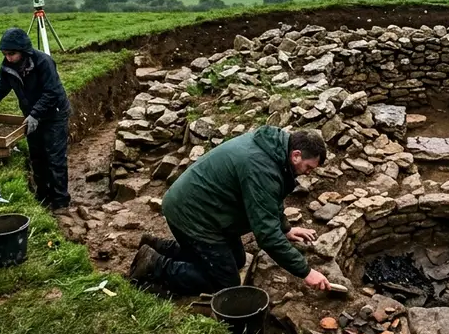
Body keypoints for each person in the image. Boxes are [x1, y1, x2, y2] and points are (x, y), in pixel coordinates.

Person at [129, 126, 333, 296]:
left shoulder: (274, 149)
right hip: (193, 215)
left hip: (205, 208)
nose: (308, 173)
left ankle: (158, 246)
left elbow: (268, 200)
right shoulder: (261, 167)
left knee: (237, 260)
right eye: (309, 167)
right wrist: (306, 272)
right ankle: (154, 265)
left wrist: (285, 229)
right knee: (225, 283)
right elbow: (268, 237)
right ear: (296, 155)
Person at [0, 27, 71, 210]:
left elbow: (52, 92)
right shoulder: (8, 67)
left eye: (12, 53)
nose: (8, 58)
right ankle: (42, 195)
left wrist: (35, 114)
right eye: (5, 54)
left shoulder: (43, 62)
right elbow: (0, 88)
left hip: (54, 114)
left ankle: (61, 202)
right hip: (31, 115)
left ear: (24, 51)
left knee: (55, 158)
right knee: (37, 157)